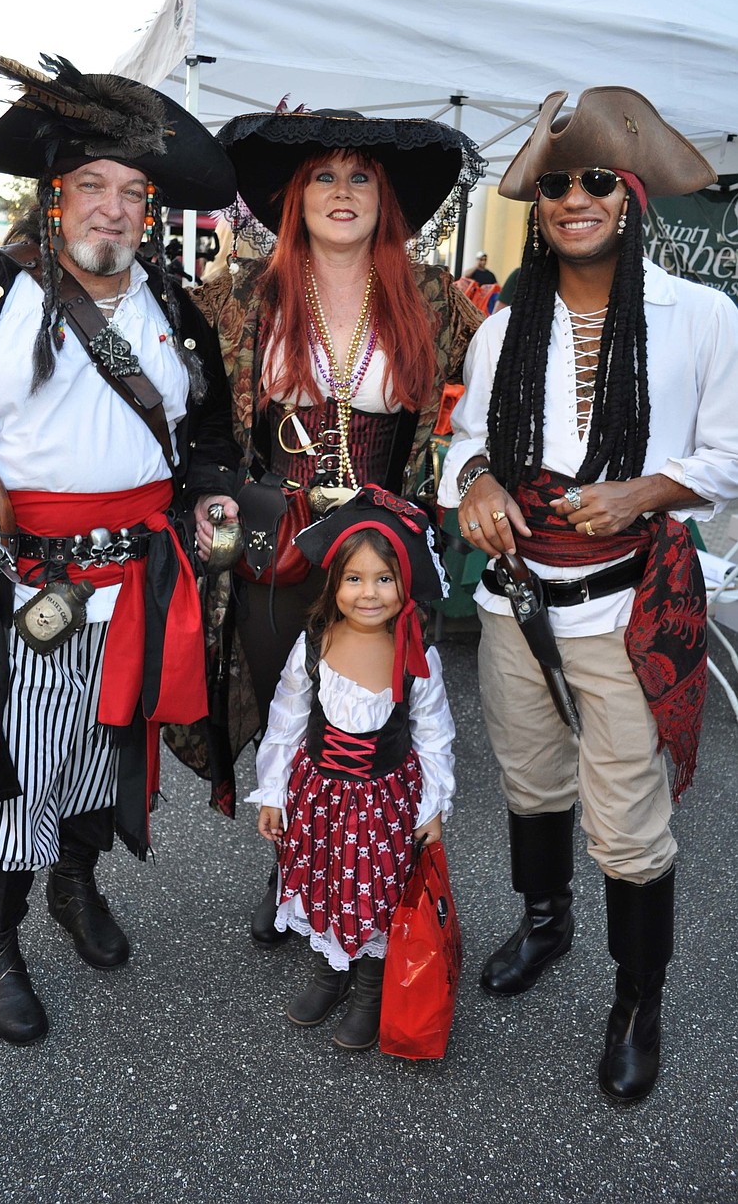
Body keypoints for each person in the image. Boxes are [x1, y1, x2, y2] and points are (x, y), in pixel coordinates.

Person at [0, 28, 239, 1046]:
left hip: (141, 585)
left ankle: (73, 884)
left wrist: (209, 495)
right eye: (92, 186)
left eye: (132, 192)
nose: (113, 208)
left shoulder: (173, 305)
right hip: (21, 590)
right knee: (15, 773)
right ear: (54, 196)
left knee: (102, 754)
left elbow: (209, 433)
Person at [438, 86, 738, 1102]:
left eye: (597, 181)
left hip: (628, 601)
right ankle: (545, 922)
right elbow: (466, 442)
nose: (574, 199)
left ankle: (636, 1002)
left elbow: (730, 453)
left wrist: (645, 490)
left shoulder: (700, 317)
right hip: (518, 600)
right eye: (557, 184)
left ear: (631, 197)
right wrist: (478, 483)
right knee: (530, 780)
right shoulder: (504, 325)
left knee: (628, 821)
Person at [189, 105, 484, 942]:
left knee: (371, 719)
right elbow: (203, 412)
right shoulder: (247, 294)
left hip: (379, 546)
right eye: (324, 176)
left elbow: (495, 391)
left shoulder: (434, 298)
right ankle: (292, 866)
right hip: (278, 543)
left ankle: (371, 866)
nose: (342, 191)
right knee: (289, 707)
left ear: (386, 200)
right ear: (297, 196)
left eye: (361, 177)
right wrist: (211, 495)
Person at [249, 485, 456, 1049]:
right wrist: (273, 791)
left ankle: (368, 987)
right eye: (354, 579)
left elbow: (434, 735)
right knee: (323, 879)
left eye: (384, 579)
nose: (369, 593)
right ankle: (329, 972)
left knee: (376, 889)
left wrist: (433, 804)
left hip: (385, 804)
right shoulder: (314, 645)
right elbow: (286, 718)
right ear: (334, 584)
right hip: (319, 799)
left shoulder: (417, 654)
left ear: (404, 584)